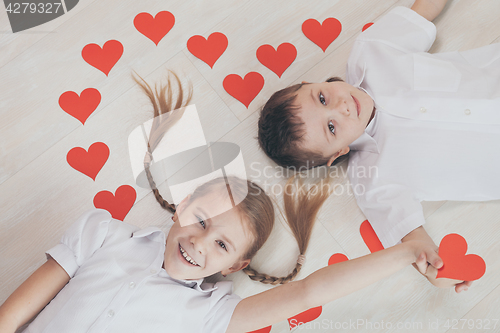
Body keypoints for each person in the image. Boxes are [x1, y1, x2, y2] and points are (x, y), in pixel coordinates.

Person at [0, 73, 434, 333]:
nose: (200, 243)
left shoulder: (211, 315)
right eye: (202, 220)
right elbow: (12, 315)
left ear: (233, 268)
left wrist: (406, 251)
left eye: (223, 246)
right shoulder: (102, 234)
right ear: (183, 203)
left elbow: (309, 291)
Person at [258, 0, 500, 293]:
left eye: (322, 98)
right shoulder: (373, 181)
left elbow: (423, 11)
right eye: (332, 127)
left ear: (310, 83)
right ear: (338, 153)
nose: (343, 106)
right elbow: (412, 239)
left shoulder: (372, 50)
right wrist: (436, 268)